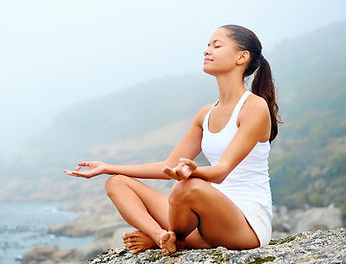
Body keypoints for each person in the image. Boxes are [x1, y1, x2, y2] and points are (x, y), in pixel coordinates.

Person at [63, 24, 280, 255]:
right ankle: (161, 237)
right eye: (207, 45)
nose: (207, 51)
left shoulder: (254, 107)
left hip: (245, 223)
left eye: (216, 45)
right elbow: (168, 165)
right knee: (117, 183)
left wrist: (190, 172)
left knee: (186, 186)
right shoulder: (205, 113)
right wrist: (107, 167)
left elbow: (221, 171)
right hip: (202, 218)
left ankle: (179, 241)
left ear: (242, 57)